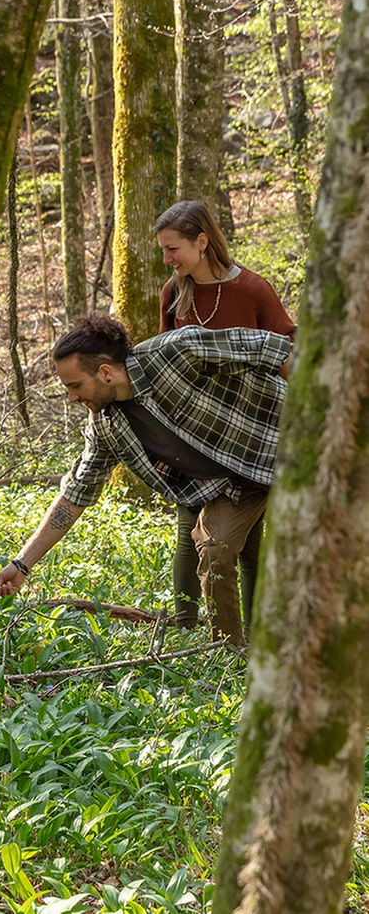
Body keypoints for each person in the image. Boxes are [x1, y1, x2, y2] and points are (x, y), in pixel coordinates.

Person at [0, 315, 292, 646]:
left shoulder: (176, 351)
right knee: (213, 548)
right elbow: (75, 495)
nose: (72, 398)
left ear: (105, 372)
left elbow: (274, 350)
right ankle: (230, 653)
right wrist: (21, 564)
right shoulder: (106, 426)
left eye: (75, 386)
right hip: (234, 484)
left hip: (292, 442)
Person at [155, 200, 296, 632]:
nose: (168, 259)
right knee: (187, 530)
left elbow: (288, 355)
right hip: (192, 435)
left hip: (249, 435)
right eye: (163, 250)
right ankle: (185, 631)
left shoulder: (254, 289)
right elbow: (162, 366)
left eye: (173, 248)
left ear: (202, 241)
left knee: (247, 545)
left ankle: (251, 637)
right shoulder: (173, 292)